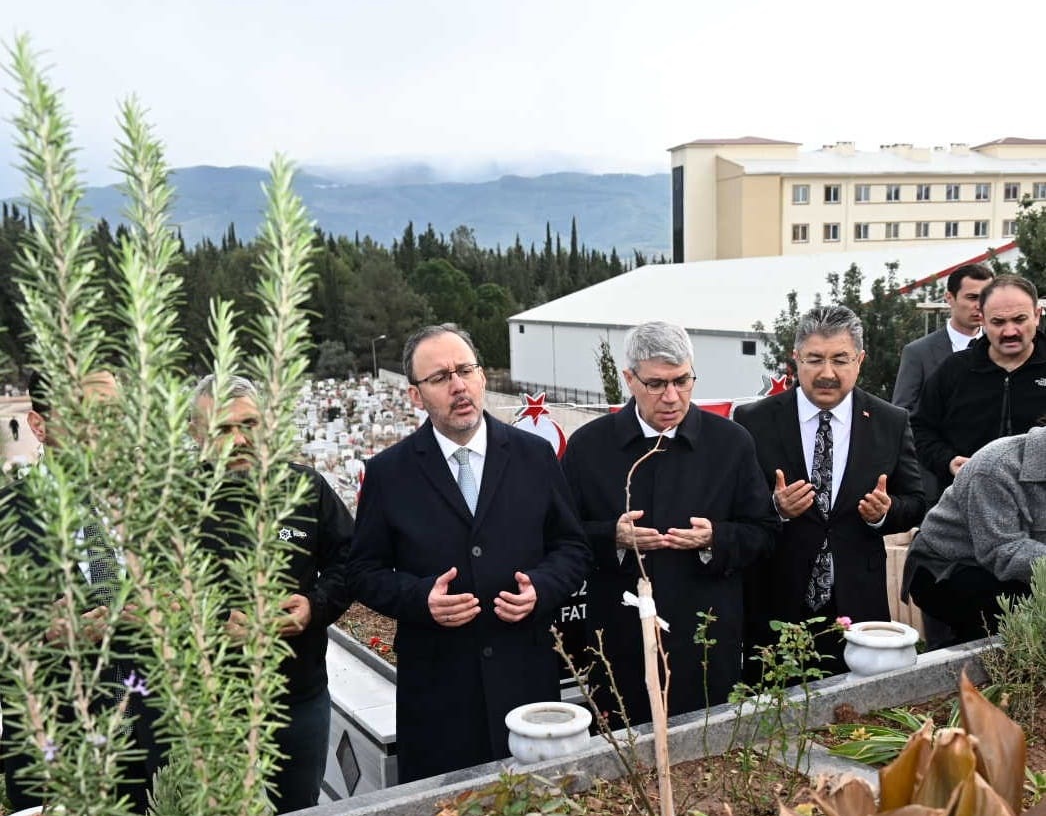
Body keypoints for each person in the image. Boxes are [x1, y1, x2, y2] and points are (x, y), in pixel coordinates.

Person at [346, 324, 590, 784]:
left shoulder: (535, 457)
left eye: (465, 370)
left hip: (525, 680)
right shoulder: (388, 474)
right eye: (440, 378)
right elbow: (363, 571)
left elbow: (572, 548)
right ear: (416, 396)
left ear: (480, 377)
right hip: (438, 691)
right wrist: (422, 599)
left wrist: (541, 587)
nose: (458, 386)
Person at [561, 321, 778, 722]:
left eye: (682, 381)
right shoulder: (589, 446)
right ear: (629, 379)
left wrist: (716, 538)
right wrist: (614, 536)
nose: (672, 397)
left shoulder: (731, 442)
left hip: (706, 639)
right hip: (620, 640)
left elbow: (764, 533)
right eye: (656, 384)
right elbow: (560, 538)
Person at [190, 374, 356, 813]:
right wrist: (210, 622)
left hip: (297, 696)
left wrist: (313, 607)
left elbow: (349, 560)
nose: (240, 439)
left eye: (251, 424)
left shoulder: (307, 489)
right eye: (223, 429)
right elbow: (149, 590)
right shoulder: (176, 502)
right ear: (196, 433)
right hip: (210, 706)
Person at [734, 305, 926, 671]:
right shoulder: (753, 420)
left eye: (840, 360)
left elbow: (916, 501)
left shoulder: (890, 421)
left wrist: (883, 513)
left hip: (858, 605)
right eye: (815, 360)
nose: (827, 373)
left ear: (860, 360)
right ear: (796, 359)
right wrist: (774, 509)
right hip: (776, 602)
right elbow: (734, 507)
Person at [1, 368, 153, 813]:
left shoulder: (152, 507)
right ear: (39, 425)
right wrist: (41, 634)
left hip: (153, 759)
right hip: (57, 767)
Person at [904, 425, 1046, 642]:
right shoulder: (995, 466)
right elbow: (1002, 552)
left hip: (1018, 567)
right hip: (946, 566)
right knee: (1016, 626)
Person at [912, 274, 1046, 494]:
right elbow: (919, 429)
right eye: (998, 322)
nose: (1010, 331)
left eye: (1019, 319)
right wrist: (947, 461)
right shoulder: (954, 370)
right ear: (982, 319)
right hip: (964, 504)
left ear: (1037, 315)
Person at [892, 262, 993, 503]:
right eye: (971, 297)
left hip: (992, 478)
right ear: (949, 297)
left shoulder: (1001, 351)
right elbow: (901, 414)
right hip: (935, 481)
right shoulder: (918, 353)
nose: (979, 305)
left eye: (986, 297)